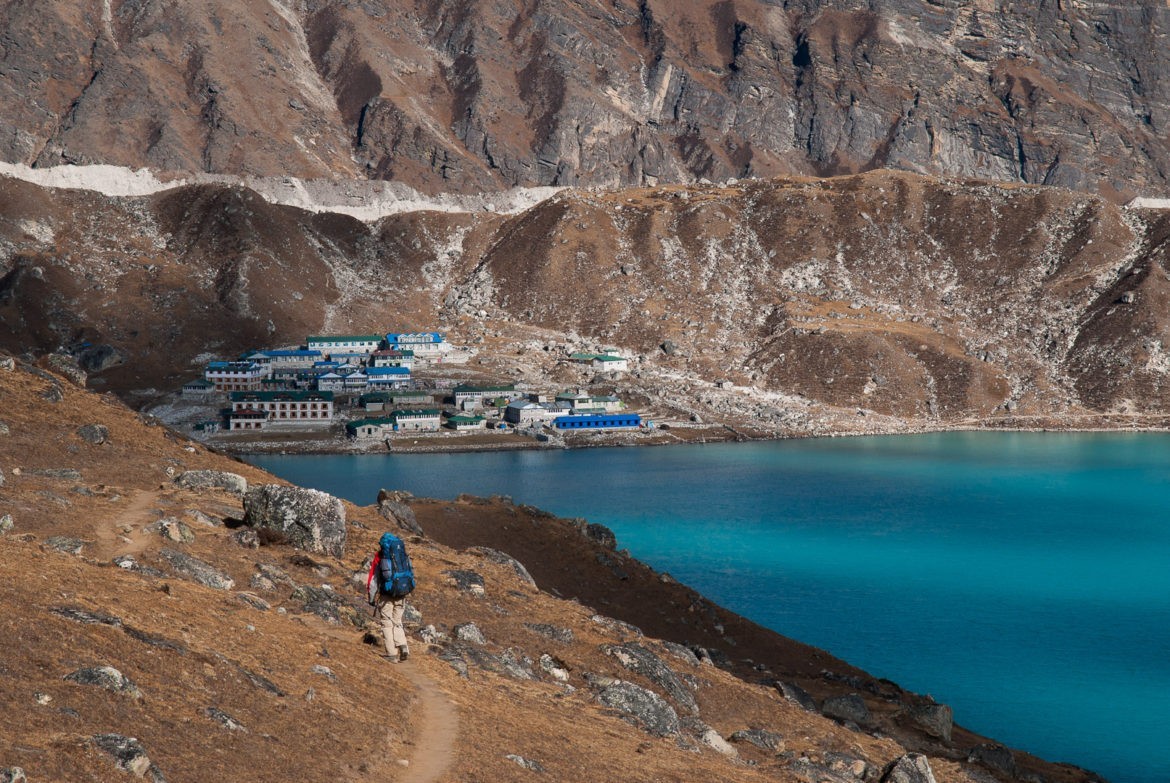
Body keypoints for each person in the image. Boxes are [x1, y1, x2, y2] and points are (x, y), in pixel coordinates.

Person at [366, 533, 411, 662]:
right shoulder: (402, 554)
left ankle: (392, 654)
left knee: (387, 623)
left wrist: (371, 597)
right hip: (401, 593)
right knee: (397, 621)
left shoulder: (380, 557)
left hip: (386, 594)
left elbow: (373, 580)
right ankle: (402, 645)